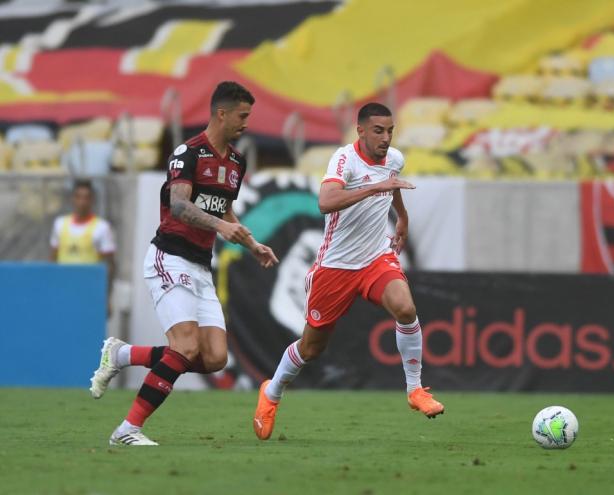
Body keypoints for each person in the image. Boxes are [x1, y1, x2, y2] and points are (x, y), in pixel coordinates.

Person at [89, 81, 279, 446]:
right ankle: (127, 430)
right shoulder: (187, 153)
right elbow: (179, 205)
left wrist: (252, 243)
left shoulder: (236, 162)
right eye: (242, 116)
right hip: (169, 257)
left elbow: (223, 206)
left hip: (200, 266)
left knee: (214, 358)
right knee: (186, 347)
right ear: (221, 114)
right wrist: (223, 227)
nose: (247, 123)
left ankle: (123, 353)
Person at [253, 102, 444, 440]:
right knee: (311, 349)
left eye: (389, 131)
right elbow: (325, 201)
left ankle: (415, 390)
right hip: (336, 266)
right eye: (378, 131)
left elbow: (392, 184)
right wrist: (373, 188)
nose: (385, 138)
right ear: (360, 131)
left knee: (406, 308)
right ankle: (272, 393)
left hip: (375, 257)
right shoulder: (344, 159)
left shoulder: (394, 159)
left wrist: (402, 216)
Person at [50, 179, 116, 313]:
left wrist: (107, 297)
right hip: (64, 290)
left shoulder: (101, 228)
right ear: (72, 199)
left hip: (89, 292)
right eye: (78, 197)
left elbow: (110, 265)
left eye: (86, 197)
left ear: (92, 200)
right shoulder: (60, 224)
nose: (82, 202)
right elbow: (53, 259)